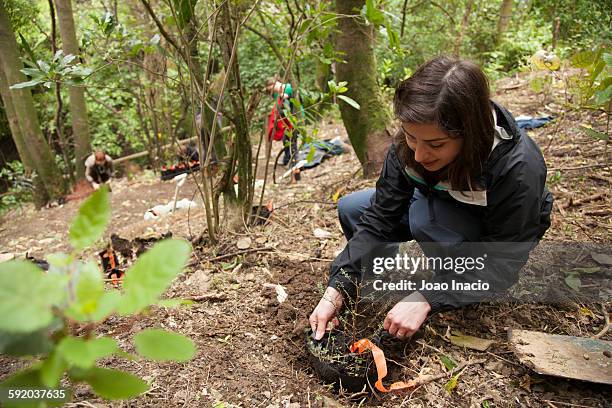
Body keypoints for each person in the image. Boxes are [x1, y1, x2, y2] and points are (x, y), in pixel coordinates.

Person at [309, 56, 554, 341]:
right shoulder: (409, 142)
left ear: (470, 132)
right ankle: (385, 279)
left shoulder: (517, 168)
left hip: (486, 231)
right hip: (435, 198)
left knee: (425, 219)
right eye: (412, 138)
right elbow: (379, 216)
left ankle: (453, 283)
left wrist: (428, 296)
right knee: (353, 209)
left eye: (436, 144)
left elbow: (504, 263)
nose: (419, 155)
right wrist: (339, 283)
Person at [266, 77, 298, 166]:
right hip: (285, 120)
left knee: (292, 140)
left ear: (275, 84)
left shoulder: (287, 87)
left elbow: (285, 96)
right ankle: (287, 160)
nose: (273, 91)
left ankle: (294, 161)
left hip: (293, 118)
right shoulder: (276, 93)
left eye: (272, 89)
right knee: (286, 139)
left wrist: (281, 95)